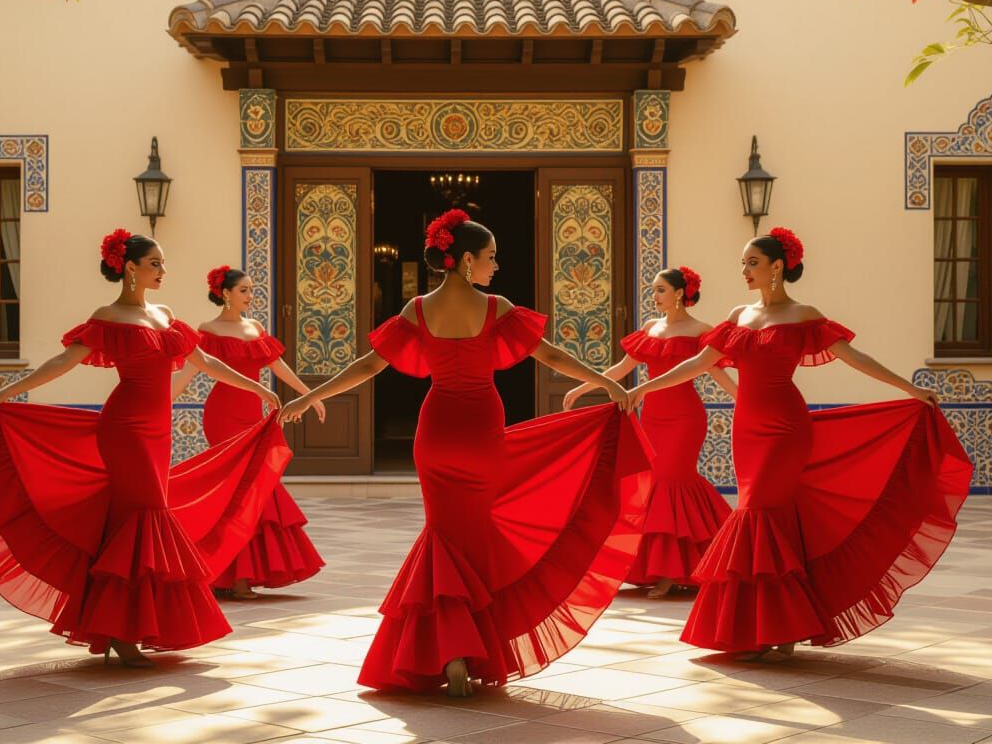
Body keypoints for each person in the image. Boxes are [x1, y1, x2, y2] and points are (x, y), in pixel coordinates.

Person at [280, 209, 654, 697]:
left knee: (442, 534)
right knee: (475, 539)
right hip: (481, 429)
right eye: (491, 257)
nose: (496, 266)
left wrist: (312, 395)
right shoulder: (495, 307)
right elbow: (553, 356)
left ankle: (450, 653)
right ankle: (470, 650)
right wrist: (606, 381)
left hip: (435, 432)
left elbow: (368, 365)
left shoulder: (416, 309)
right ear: (466, 261)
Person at [0, 230, 290, 667]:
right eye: (155, 264)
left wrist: (259, 390)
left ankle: (122, 624)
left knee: (133, 520)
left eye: (162, 264)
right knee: (144, 517)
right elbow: (62, 361)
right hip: (125, 429)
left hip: (158, 431)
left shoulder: (166, 314)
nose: (163, 271)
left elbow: (205, 362)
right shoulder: (108, 316)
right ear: (130, 268)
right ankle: (125, 632)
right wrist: (11, 390)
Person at [627, 227, 971, 661]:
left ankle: (768, 629)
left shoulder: (803, 314)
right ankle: (775, 627)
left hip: (786, 429)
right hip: (745, 430)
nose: (745, 271)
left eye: (753, 263)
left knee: (757, 515)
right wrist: (644, 389)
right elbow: (699, 362)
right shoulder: (738, 316)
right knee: (769, 520)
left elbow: (855, 357)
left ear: (777, 267)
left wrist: (909, 388)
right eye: (742, 263)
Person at [564, 266, 736, 599]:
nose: (653, 296)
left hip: (686, 419)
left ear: (678, 293)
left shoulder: (701, 330)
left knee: (674, 482)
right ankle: (666, 567)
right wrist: (584, 388)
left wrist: (744, 399)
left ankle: (674, 573)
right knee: (654, 486)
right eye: (653, 289)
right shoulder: (650, 329)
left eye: (659, 289)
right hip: (652, 418)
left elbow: (715, 371)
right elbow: (621, 369)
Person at [170, 265, 325, 599]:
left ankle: (246, 573)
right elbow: (190, 370)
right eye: (244, 290)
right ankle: (235, 578)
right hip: (222, 417)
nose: (250, 296)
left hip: (253, 416)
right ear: (225, 293)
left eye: (251, 290)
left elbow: (276, 365)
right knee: (236, 490)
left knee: (260, 486)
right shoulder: (206, 330)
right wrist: (159, 400)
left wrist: (310, 395)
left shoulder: (255, 327)